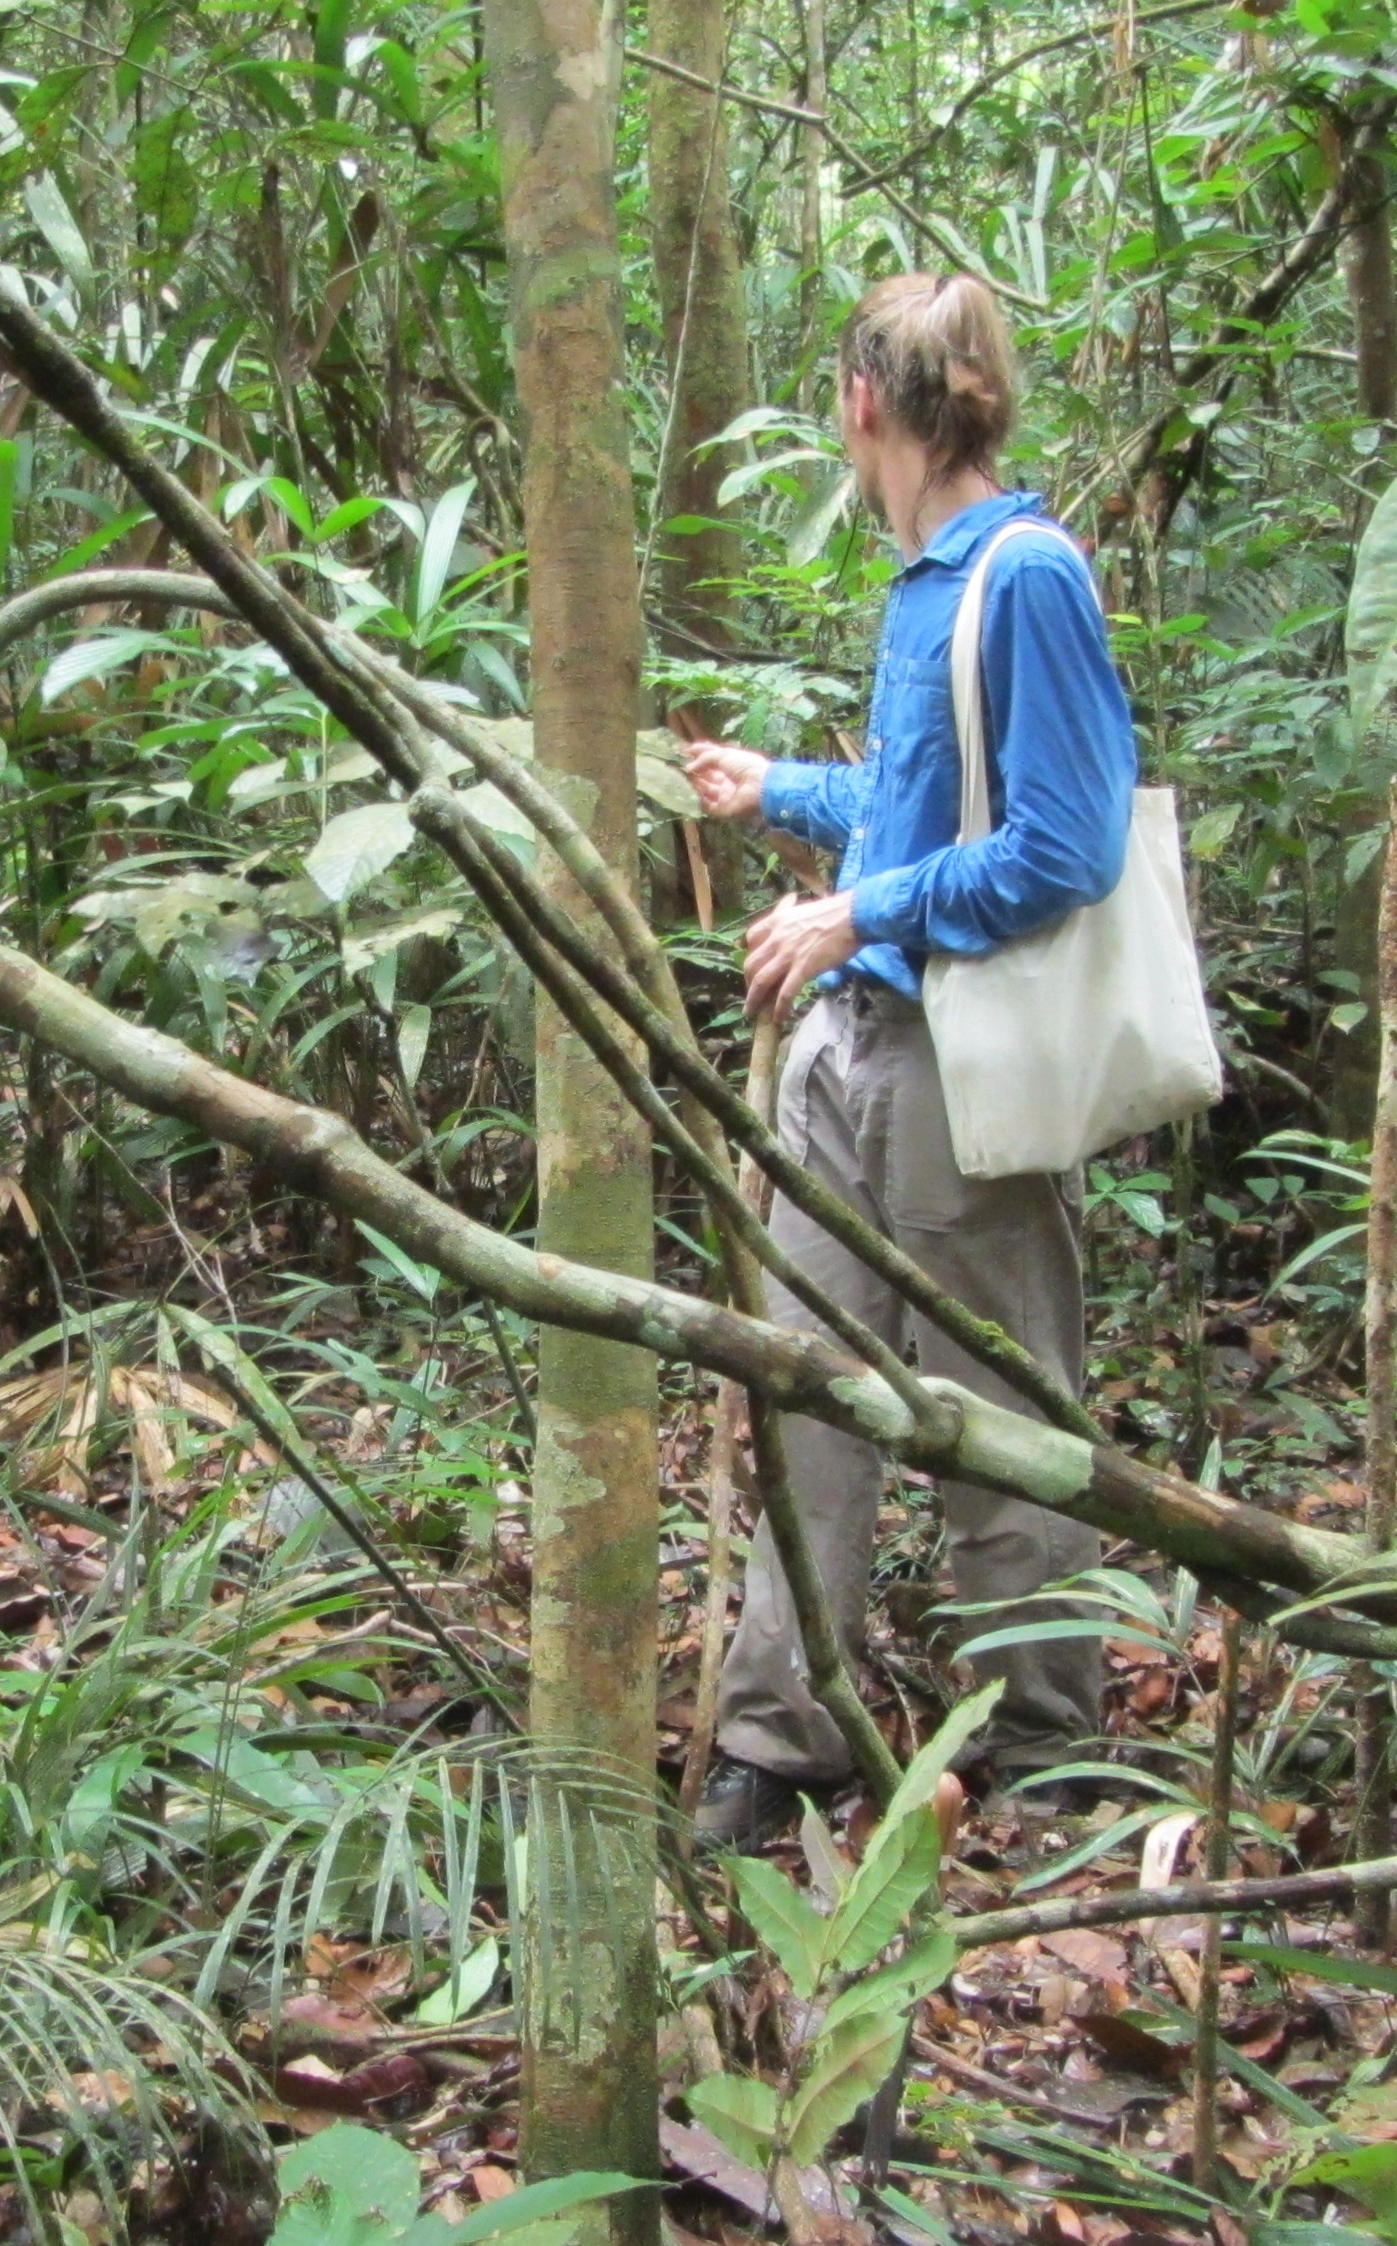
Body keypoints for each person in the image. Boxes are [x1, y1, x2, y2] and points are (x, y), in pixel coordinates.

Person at [682, 274, 1135, 1846]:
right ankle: (776, 1732)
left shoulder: (1025, 575)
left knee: (997, 1408)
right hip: (843, 1049)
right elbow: (923, 805)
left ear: (862, 404)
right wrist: (784, 794)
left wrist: (860, 905)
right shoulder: (919, 582)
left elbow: (1063, 848)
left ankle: (1050, 1742)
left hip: (961, 1070)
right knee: (803, 1395)